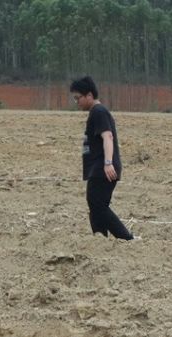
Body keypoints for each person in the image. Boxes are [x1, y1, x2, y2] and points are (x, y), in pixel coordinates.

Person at [70, 76, 133, 240]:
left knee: (97, 204)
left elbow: (107, 137)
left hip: (103, 169)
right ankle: (100, 238)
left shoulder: (99, 112)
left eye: (78, 98)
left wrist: (108, 163)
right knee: (95, 205)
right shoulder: (95, 112)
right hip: (97, 169)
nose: (76, 102)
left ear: (89, 95)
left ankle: (126, 238)